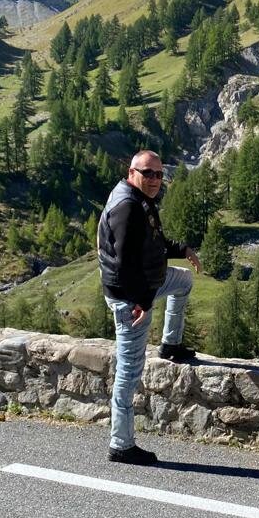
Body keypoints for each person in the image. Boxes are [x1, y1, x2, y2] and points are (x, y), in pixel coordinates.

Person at [98, 150, 202, 465]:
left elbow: (152, 244)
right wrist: (142, 301)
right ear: (132, 172)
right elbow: (125, 264)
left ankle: (170, 345)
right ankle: (121, 444)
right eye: (148, 173)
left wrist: (182, 249)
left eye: (159, 174)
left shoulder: (139, 199)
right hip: (130, 296)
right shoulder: (128, 207)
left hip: (148, 283)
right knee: (129, 370)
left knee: (183, 281)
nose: (155, 179)